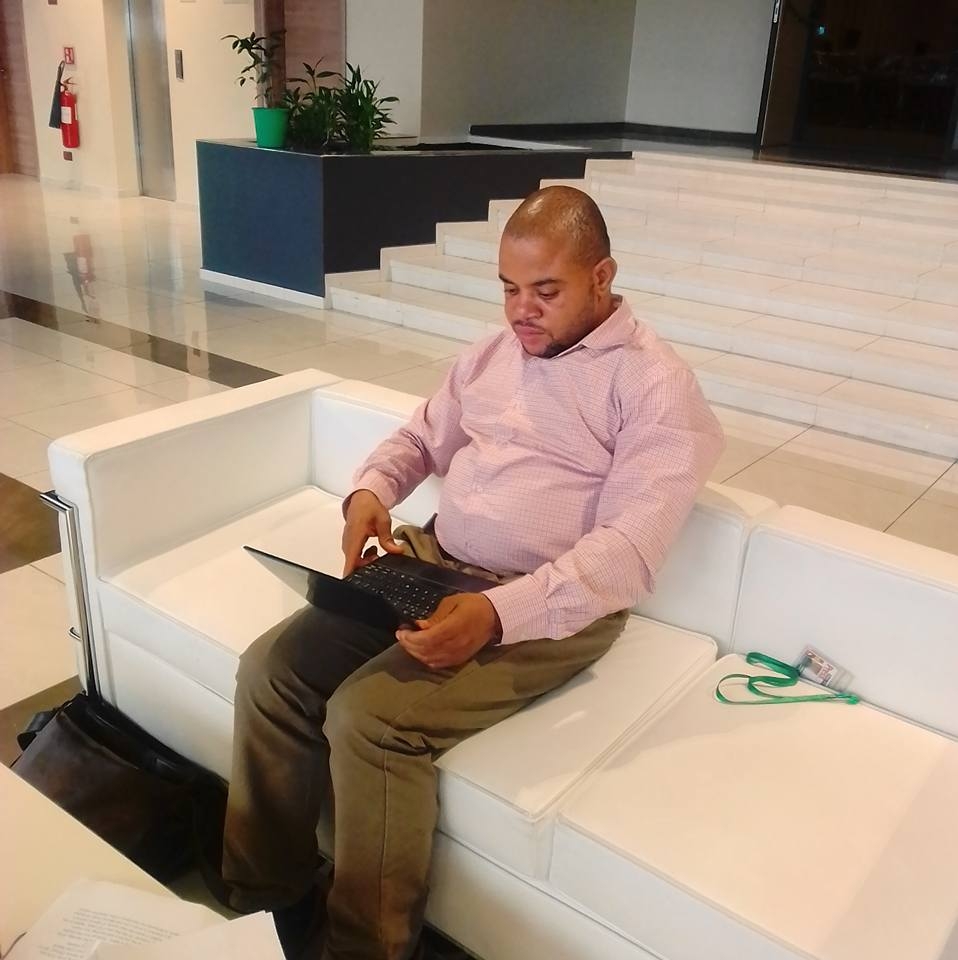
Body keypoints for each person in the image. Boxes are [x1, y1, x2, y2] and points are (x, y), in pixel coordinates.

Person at [222, 185, 725, 960]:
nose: (522, 311)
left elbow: (627, 552)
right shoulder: (493, 356)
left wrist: (496, 615)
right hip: (433, 563)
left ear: (602, 277)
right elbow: (419, 439)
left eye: (545, 291)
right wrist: (371, 492)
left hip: (548, 607)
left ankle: (364, 949)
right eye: (509, 289)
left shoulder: (654, 387)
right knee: (271, 669)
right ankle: (264, 903)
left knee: (371, 720)